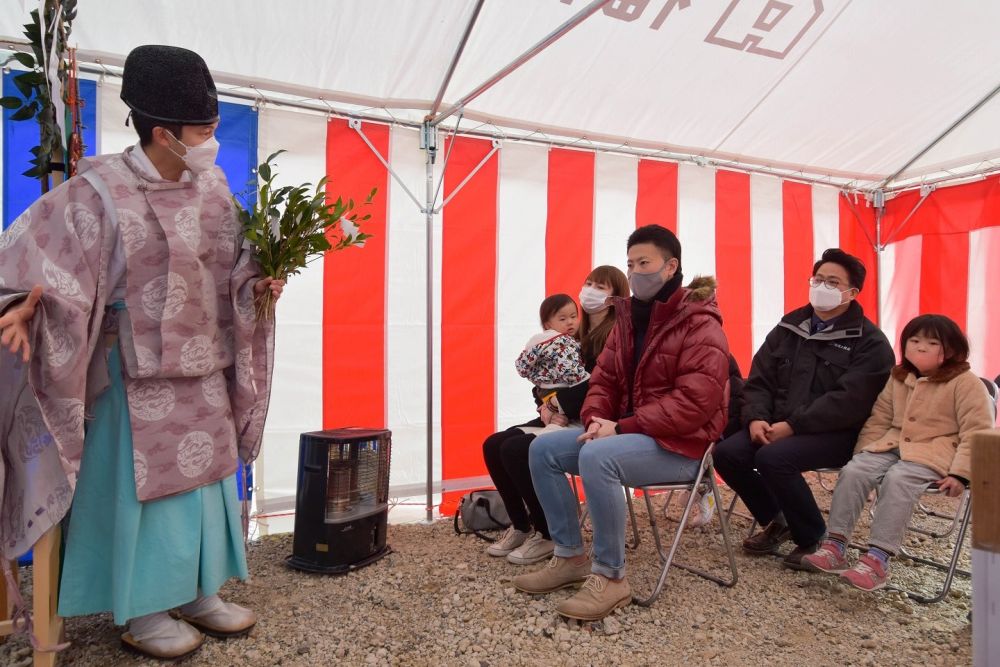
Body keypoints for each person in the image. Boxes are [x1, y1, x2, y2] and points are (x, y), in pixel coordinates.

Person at [0, 45, 281, 660]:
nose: (212, 137)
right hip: (133, 372)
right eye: (203, 128)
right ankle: (144, 608)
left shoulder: (214, 187)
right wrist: (24, 305)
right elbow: (36, 263)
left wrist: (259, 283)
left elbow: (233, 266)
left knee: (207, 479)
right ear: (162, 131)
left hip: (205, 361)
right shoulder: (96, 192)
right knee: (144, 489)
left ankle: (200, 590)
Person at [512, 225, 730, 621]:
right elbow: (604, 380)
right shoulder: (628, 320)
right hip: (632, 436)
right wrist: (596, 418)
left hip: (683, 446)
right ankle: (570, 556)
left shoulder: (700, 323)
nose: (634, 272)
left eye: (644, 263)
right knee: (542, 447)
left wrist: (622, 427)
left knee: (598, 457)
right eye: (630, 264)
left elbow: (696, 403)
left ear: (671, 266)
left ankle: (611, 577)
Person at [713, 248, 895, 569]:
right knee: (728, 453)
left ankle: (812, 537)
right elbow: (759, 379)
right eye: (819, 279)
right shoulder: (790, 326)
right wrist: (755, 418)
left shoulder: (870, 341)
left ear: (851, 293)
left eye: (833, 282)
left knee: (773, 458)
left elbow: (849, 401)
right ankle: (778, 518)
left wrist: (793, 426)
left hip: (838, 432)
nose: (822, 286)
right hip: (778, 424)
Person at [801, 314, 994, 590]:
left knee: (898, 479)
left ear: (951, 349)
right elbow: (879, 418)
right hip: (892, 443)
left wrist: (961, 475)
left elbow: (977, 431)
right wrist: (862, 452)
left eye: (931, 342)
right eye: (914, 340)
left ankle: (877, 560)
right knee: (855, 470)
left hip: (936, 452)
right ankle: (835, 546)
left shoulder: (965, 383)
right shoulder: (899, 377)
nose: (921, 347)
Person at [482, 267, 628, 565]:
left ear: (615, 297)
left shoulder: (618, 336)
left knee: (515, 449)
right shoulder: (570, 335)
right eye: (588, 282)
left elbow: (602, 387)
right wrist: (545, 405)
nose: (590, 290)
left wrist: (557, 405)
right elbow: (544, 378)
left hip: (593, 420)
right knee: (494, 445)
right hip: (561, 414)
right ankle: (522, 526)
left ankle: (549, 534)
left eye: (600, 286)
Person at [515, 293, 590, 424]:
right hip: (561, 391)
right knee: (563, 422)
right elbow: (571, 372)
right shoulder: (561, 341)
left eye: (574, 316)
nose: (570, 322)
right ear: (548, 325)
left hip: (543, 392)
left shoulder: (538, 343)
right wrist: (589, 379)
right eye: (562, 319)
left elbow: (523, 368)